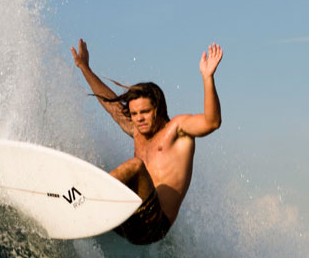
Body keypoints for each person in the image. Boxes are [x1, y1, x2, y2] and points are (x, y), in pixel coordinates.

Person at [70, 38, 222, 245]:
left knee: (135, 166)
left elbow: (212, 122)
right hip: (130, 219)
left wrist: (207, 77)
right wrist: (84, 68)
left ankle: (85, 197)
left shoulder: (178, 130)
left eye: (145, 112)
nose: (139, 118)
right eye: (134, 113)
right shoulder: (137, 132)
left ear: (157, 109)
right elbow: (111, 105)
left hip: (154, 224)